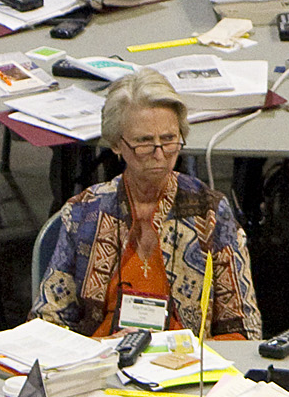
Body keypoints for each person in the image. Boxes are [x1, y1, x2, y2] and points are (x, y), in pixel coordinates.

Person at [35, 71, 260, 336]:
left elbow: (244, 328)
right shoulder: (84, 211)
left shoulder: (209, 211)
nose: (159, 154)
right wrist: (100, 349)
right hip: (103, 357)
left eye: (169, 139)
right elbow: (47, 320)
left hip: (184, 358)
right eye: (144, 142)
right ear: (116, 144)